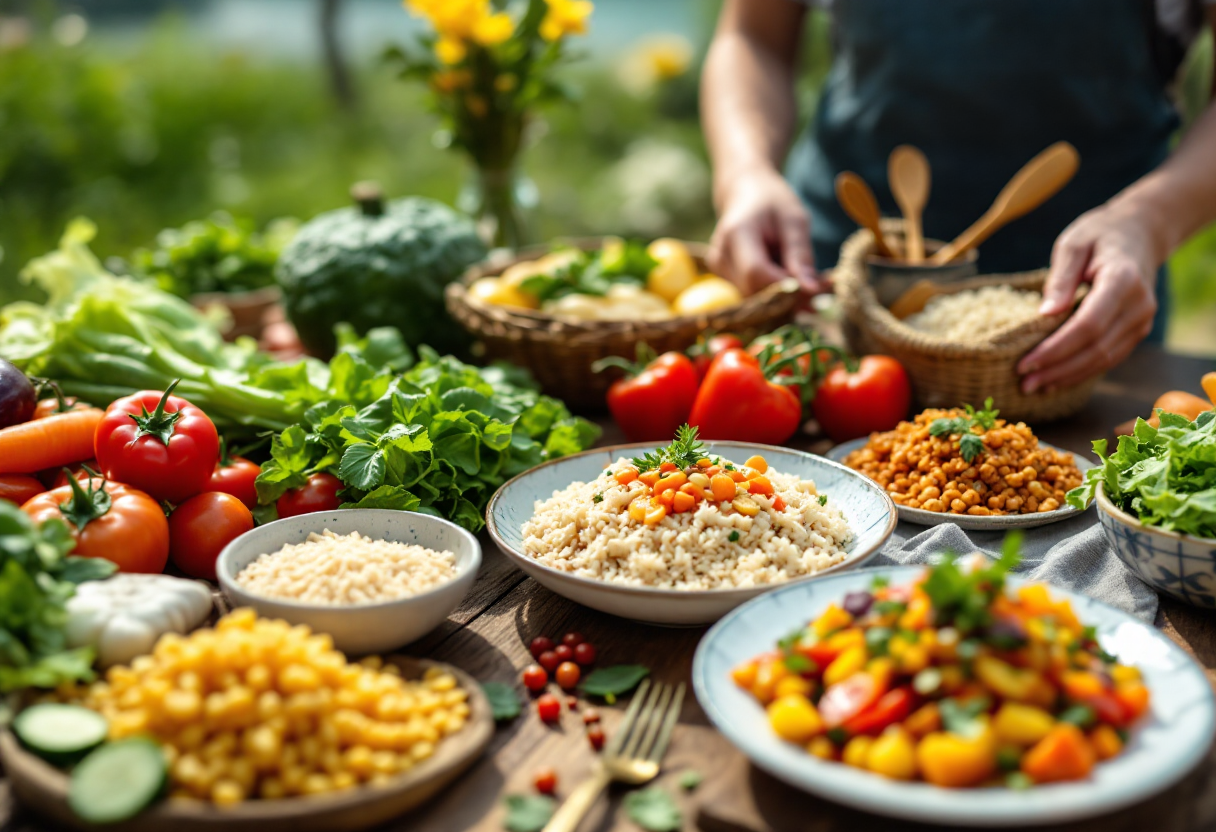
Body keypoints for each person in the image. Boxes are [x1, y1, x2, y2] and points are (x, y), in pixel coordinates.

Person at [702, 0, 1216, 394]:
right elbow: (752, 37)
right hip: (835, 287)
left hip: (1082, 309)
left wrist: (1150, 220)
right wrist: (745, 173)